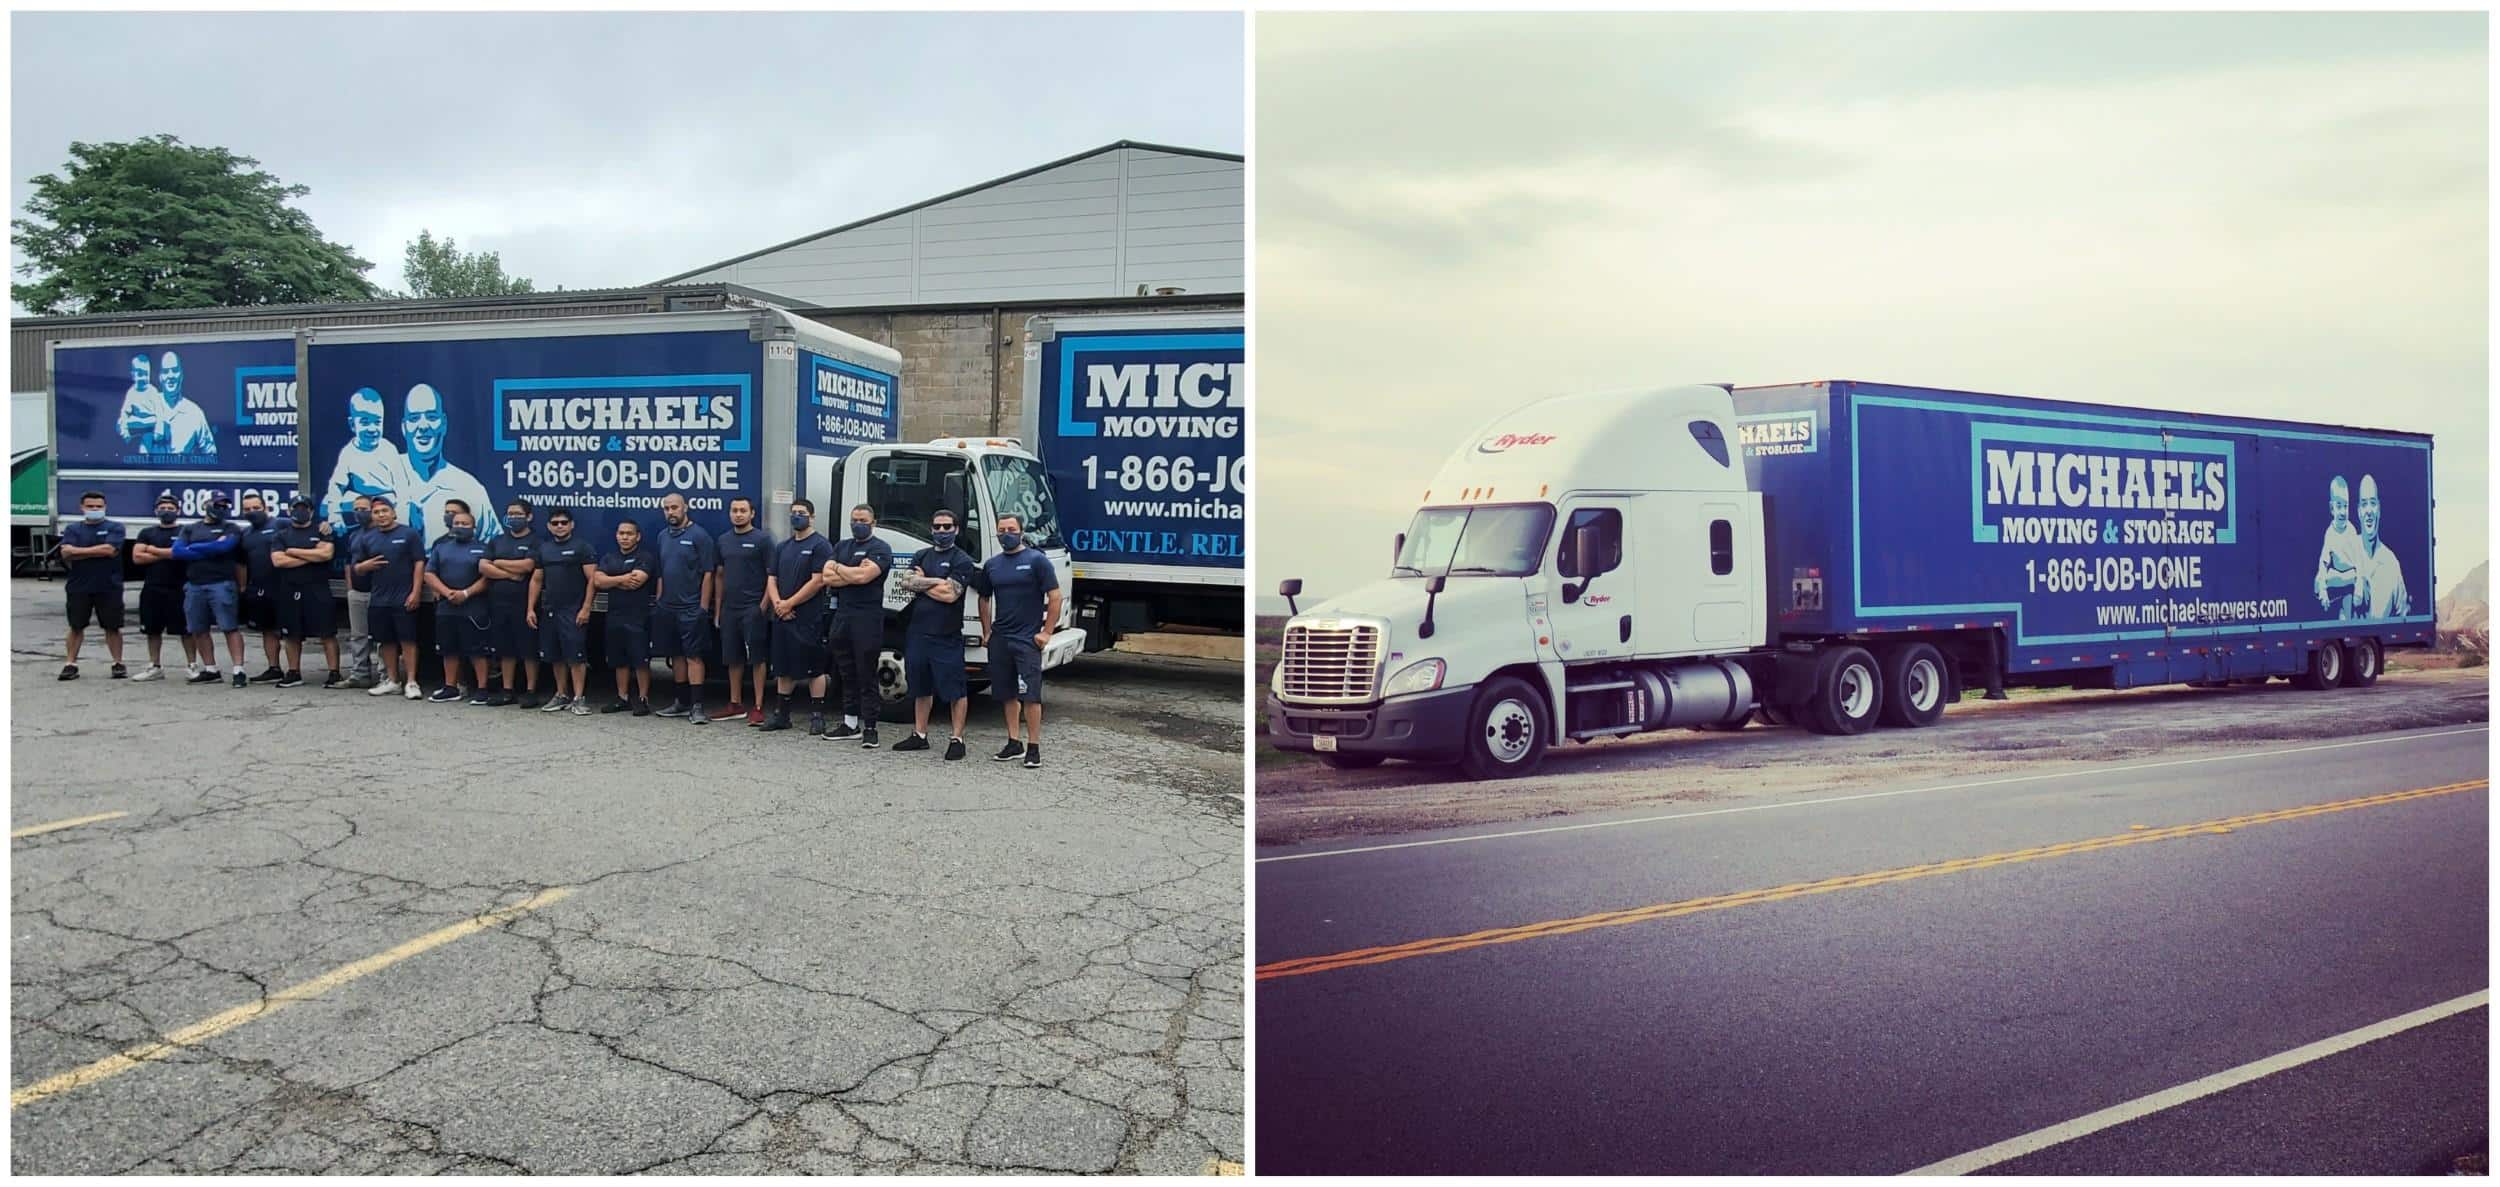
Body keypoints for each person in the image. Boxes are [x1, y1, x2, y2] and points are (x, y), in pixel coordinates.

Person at [971, 513, 1061, 768]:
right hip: (1000, 639)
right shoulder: (993, 565)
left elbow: (1055, 596)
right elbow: (984, 597)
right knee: (1006, 693)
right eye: (1001, 530)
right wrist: (987, 631)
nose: (1006, 534)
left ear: (1021, 532)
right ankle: (1014, 742)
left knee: (1031, 696)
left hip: (1027, 640)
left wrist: (1047, 632)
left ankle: (1034, 747)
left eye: (1011, 529)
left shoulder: (1036, 560)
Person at [895, 508, 976, 759]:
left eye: (947, 527)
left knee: (955, 689)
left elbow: (951, 594)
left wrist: (924, 581)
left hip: (946, 635)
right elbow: (906, 582)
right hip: (918, 633)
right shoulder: (921, 554)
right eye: (937, 526)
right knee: (920, 687)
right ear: (931, 529)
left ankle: (957, 739)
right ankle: (920, 735)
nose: (942, 531)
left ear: (956, 529)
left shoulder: (962, 560)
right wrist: (937, 581)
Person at [819, 503, 894, 747]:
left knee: (866, 673)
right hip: (842, 616)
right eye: (854, 520)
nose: (857, 524)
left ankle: (870, 727)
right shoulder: (842, 546)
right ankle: (849, 723)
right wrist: (848, 573)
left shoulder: (880, 548)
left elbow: (864, 577)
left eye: (862, 520)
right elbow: (825, 576)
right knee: (845, 672)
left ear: (873, 523)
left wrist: (840, 569)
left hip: (867, 618)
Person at [759, 499, 836, 734]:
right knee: (783, 668)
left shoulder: (821, 545)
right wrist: (778, 604)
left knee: (814, 668)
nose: (797, 517)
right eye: (793, 513)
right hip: (783, 616)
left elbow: (818, 580)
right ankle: (782, 715)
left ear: (812, 517)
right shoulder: (782, 547)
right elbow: (772, 578)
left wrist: (790, 603)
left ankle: (817, 716)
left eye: (801, 513)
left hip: (808, 616)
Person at [399, 383, 498, 546]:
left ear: (444, 423)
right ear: (404, 427)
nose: (423, 426)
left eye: (431, 417)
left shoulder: (470, 488)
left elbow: (493, 547)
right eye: (414, 418)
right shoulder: (384, 476)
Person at [349, 495, 427, 700]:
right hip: (379, 599)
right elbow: (356, 567)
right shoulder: (367, 538)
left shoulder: (409, 534)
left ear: (393, 513)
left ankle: (411, 681)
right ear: (372, 516)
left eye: (385, 511)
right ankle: (392, 681)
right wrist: (364, 567)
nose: (381, 515)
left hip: (404, 597)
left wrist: (416, 592)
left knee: (408, 640)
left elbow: (419, 563)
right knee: (385, 642)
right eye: (376, 512)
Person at [169, 493, 249, 687]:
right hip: (195, 585)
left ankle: (238, 669)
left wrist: (194, 548)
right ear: (206, 505)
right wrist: (210, 546)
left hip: (221, 584)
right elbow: (177, 551)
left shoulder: (231, 528)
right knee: (198, 629)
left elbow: (224, 548)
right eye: (217, 504)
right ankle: (211, 669)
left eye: (224, 505)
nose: (221, 508)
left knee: (229, 627)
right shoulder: (190, 528)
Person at [651, 492, 718, 722]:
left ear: (685, 508)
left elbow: (709, 573)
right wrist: (660, 599)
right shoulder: (662, 536)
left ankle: (697, 706)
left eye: (674, 507)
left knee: (693, 657)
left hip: (691, 608)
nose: (671, 512)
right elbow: (660, 571)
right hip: (668, 607)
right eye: (667, 508)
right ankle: (680, 702)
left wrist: (702, 606)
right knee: (676, 656)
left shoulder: (700, 536)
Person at [529, 507, 599, 716]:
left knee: (576, 656)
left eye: (564, 522)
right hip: (550, 609)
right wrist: (530, 608)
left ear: (571, 525)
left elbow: (593, 580)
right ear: (549, 526)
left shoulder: (582, 547)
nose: (560, 526)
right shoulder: (544, 549)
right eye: (555, 523)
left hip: (573, 610)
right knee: (555, 655)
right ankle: (561, 694)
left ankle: (579, 698)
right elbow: (536, 579)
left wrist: (586, 608)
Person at [713, 496, 775, 724]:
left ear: (752, 514)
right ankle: (735, 703)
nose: (738, 514)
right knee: (733, 658)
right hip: (730, 609)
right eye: (734, 510)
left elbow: (772, 575)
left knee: (757, 658)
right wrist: (718, 609)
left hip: (752, 608)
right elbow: (719, 576)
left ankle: (758, 707)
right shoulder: (722, 541)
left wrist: (763, 606)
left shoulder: (763, 540)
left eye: (742, 510)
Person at [425, 508, 495, 704]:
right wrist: (447, 592)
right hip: (447, 607)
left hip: (474, 607)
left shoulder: (483, 548)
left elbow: (488, 577)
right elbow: (429, 574)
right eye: (457, 523)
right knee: (448, 649)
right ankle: (451, 687)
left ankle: (482, 689)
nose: (460, 527)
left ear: (474, 527)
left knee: (477, 651)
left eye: (465, 524)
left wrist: (466, 593)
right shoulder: (441, 548)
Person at [57, 490, 129, 681]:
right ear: (82, 507)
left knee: (112, 627)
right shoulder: (73, 529)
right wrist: (95, 551)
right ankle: (70, 664)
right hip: (79, 586)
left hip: (108, 585)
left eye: (99, 506)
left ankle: (118, 663)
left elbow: (110, 550)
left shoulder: (115, 527)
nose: (95, 509)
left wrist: (77, 551)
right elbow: (65, 554)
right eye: (90, 506)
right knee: (76, 626)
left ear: (105, 507)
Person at [269, 496, 340, 688]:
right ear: (289, 510)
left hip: (318, 589)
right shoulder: (281, 535)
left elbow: (326, 554)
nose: (301, 511)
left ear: (311, 510)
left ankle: (334, 673)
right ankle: (294, 673)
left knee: (327, 633)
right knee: (291, 634)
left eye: (305, 507)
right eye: (296, 507)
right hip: (289, 590)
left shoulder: (322, 530)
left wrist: (292, 551)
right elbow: (278, 561)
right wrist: (311, 556)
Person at [130, 491, 200, 681]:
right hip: (153, 588)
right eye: (162, 508)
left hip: (180, 588)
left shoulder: (186, 531)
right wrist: (168, 553)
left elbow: (184, 554)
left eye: (170, 508)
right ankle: (155, 666)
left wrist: (152, 550)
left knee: (186, 630)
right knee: (152, 630)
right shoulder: (147, 533)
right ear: (155, 510)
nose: (166, 511)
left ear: (178, 511)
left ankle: (192, 665)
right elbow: (137, 557)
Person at [483, 496, 544, 707]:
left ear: (529, 516)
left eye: (518, 514)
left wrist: (497, 563)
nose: (514, 518)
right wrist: (509, 573)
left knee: (528, 649)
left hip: (524, 603)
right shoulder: (497, 540)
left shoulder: (536, 541)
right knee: (505, 648)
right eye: (511, 514)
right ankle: (507, 689)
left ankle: (530, 690)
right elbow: (483, 566)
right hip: (499, 603)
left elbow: (527, 566)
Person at [595, 519, 660, 715]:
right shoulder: (609, 557)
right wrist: (622, 578)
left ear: (637, 536)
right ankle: (622, 698)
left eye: (629, 534)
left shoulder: (645, 557)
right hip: (614, 615)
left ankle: (642, 699)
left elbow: (637, 582)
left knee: (640, 659)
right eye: (621, 533)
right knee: (619, 660)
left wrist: (612, 580)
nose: (624, 537)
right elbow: (597, 581)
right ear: (616, 535)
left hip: (637, 616)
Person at [324, 387, 412, 529]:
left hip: (387, 506)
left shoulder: (388, 449)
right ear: (353, 424)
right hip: (361, 507)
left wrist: (401, 522)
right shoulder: (348, 453)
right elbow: (336, 486)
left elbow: (402, 489)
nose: (372, 429)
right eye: (365, 422)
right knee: (338, 501)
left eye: (377, 422)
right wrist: (335, 516)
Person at [236, 493, 288, 683]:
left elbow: (306, 530)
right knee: (268, 630)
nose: (252, 512)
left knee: (291, 632)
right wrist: (242, 587)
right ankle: (274, 668)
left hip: (285, 586)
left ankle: (294, 671)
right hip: (259, 588)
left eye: (256, 508)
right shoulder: (246, 534)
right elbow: (241, 564)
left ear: (266, 508)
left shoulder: (281, 524)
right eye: (248, 509)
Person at [2352, 474, 2412, 620]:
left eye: (2372, 503)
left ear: (2379, 508)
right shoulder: (2348, 552)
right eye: (2364, 504)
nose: (2369, 511)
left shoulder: (2391, 564)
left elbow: (2403, 614)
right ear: (2359, 511)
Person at [337, 493, 381, 688]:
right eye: (356, 509)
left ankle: (385, 676)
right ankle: (359, 674)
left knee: (381, 636)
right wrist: (350, 588)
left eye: (364, 509)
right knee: (358, 636)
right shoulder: (354, 534)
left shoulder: (382, 533)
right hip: (357, 592)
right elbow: (349, 563)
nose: (359, 513)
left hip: (379, 592)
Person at [146, 351, 217, 459]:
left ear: (181, 375)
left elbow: (211, 454)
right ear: (160, 377)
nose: (170, 376)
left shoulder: (195, 413)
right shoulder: (148, 405)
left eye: (174, 371)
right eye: (166, 372)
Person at [2313, 476, 2360, 618]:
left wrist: (2358, 588)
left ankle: (2347, 618)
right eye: (2338, 506)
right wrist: (2323, 590)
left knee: (2354, 579)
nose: (2342, 512)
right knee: (2318, 581)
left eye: (2345, 506)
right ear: (2331, 508)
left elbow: (2359, 563)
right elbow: (2324, 561)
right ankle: (2328, 599)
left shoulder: (2351, 530)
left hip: (2351, 576)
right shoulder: (2330, 533)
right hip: (2336, 576)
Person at [115, 353, 168, 448]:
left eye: (146, 374)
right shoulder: (131, 393)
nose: (143, 378)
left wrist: (159, 430)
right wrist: (124, 428)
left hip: (151, 422)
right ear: (132, 375)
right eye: (140, 374)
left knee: (158, 422)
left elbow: (160, 413)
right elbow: (125, 411)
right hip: (137, 424)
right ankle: (131, 439)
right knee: (120, 422)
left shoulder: (152, 391)